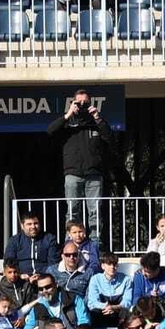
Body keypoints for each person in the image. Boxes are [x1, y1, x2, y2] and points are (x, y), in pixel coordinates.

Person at [48, 89, 115, 237]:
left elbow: (110, 138)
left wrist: (97, 117)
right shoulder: (67, 123)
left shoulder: (96, 123)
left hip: (94, 175)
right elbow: (50, 131)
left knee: (95, 210)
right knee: (72, 210)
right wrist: (68, 115)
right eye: (79, 102)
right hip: (73, 174)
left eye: (86, 103)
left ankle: (95, 242)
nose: (83, 105)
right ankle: (70, 242)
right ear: (73, 103)